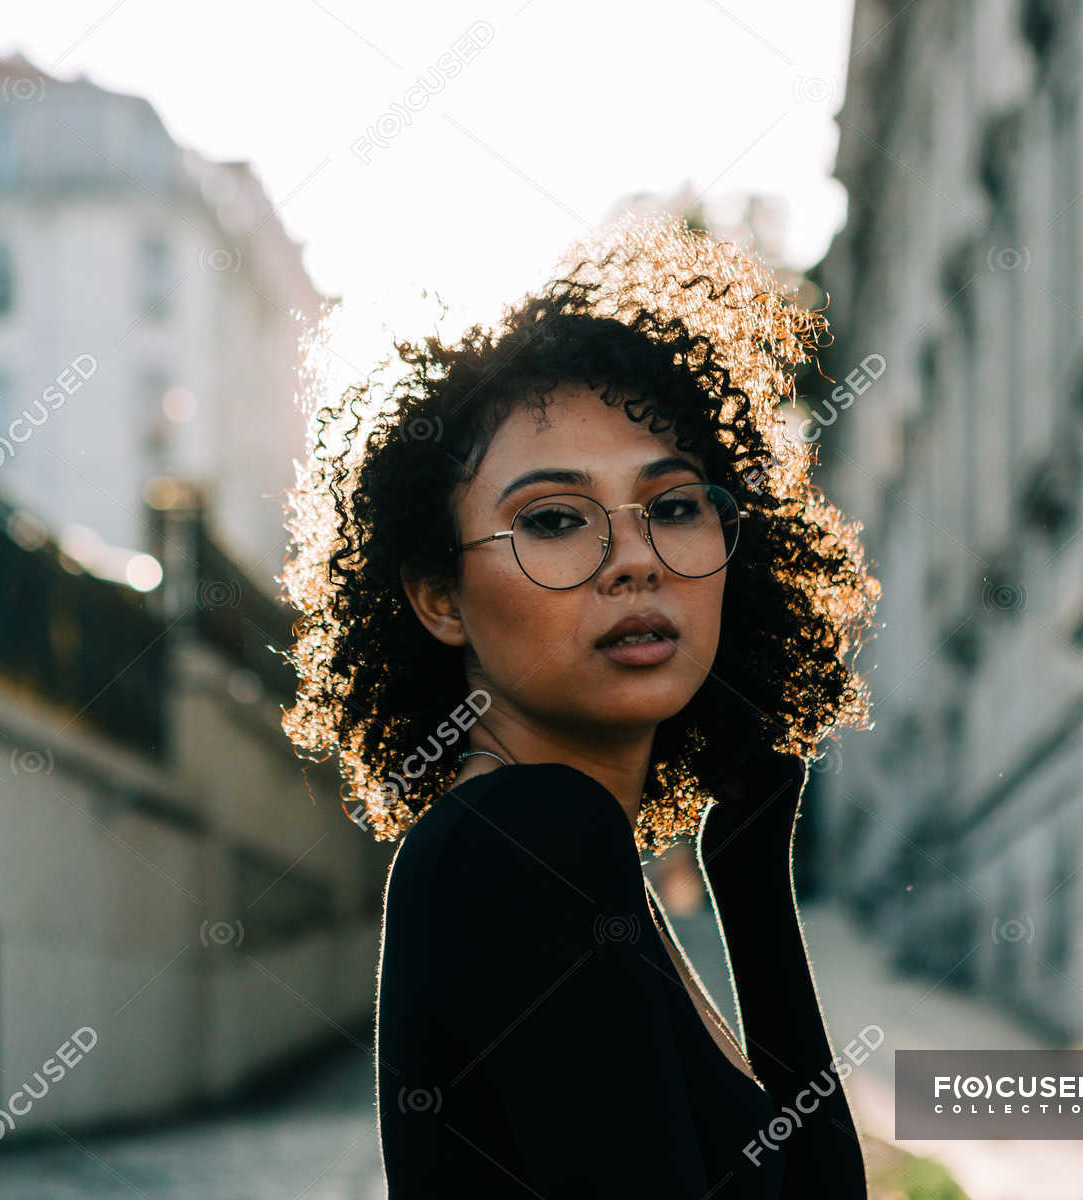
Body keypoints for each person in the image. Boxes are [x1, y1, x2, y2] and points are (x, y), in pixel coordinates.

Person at [280, 212, 879, 1197]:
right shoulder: (526, 840)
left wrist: (753, 884)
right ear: (437, 597)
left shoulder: (559, 845)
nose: (637, 557)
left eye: (676, 506)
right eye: (555, 521)